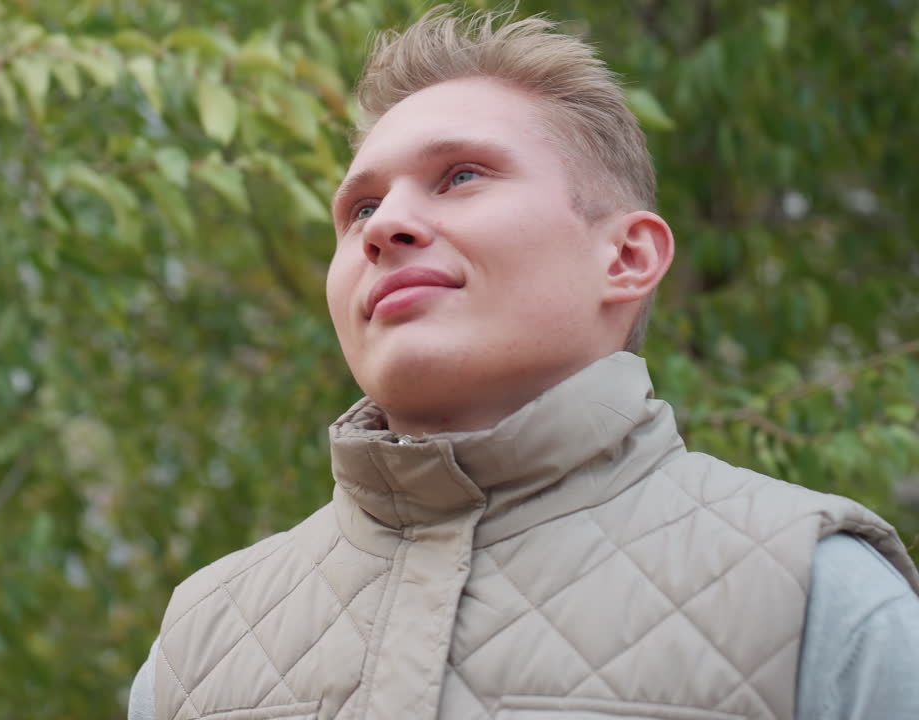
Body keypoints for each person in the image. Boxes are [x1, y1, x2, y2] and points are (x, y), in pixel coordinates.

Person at [129, 7, 919, 719]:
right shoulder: (198, 650)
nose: (386, 225)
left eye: (461, 176)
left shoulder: (820, 602)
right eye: (360, 208)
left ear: (627, 256)